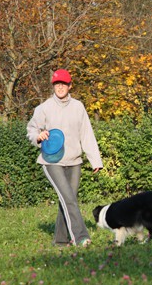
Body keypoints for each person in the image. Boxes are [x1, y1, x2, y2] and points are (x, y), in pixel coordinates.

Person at [27, 69, 103, 247]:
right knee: (68, 198)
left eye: (63, 84)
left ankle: (60, 240)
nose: (60, 87)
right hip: (51, 161)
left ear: (70, 86)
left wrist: (95, 160)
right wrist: (38, 136)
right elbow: (31, 129)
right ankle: (80, 237)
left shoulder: (78, 106)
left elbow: (86, 134)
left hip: (74, 161)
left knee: (68, 199)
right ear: (53, 86)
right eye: (56, 84)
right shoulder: (44, 108)